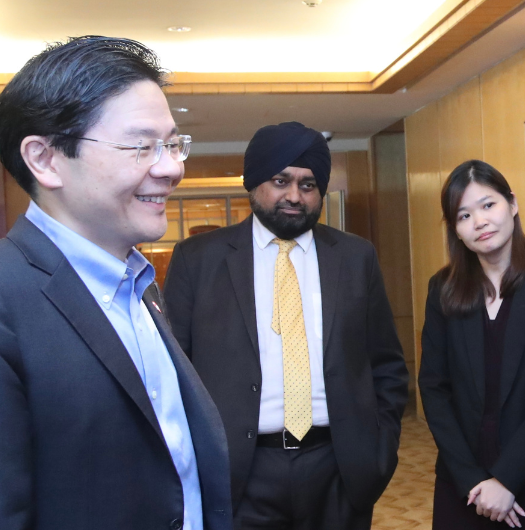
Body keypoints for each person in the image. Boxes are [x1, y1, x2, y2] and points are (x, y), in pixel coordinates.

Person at [0, 36, 231, 529]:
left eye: (173, 144)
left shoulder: (140, 287)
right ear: (45, 159)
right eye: (142, 146)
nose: (172, 167)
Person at [163, 121, 409, 530]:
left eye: (308, 185)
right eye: (281, 181)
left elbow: (386, 364)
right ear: (254, 183)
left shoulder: (355, 257)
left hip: (338, 469)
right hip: (240, 473)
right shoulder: (198, 259)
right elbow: (175, 372)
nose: (294, 196)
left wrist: (379, 451)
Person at [420, 160, 525, 529]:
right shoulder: (443, 289)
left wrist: (507, 479)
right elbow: (433, 388)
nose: (479, 222)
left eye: (488, 205)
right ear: (455, 230)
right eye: (464, 215)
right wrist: (473, 480)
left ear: (512, 204)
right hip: (464, 486)